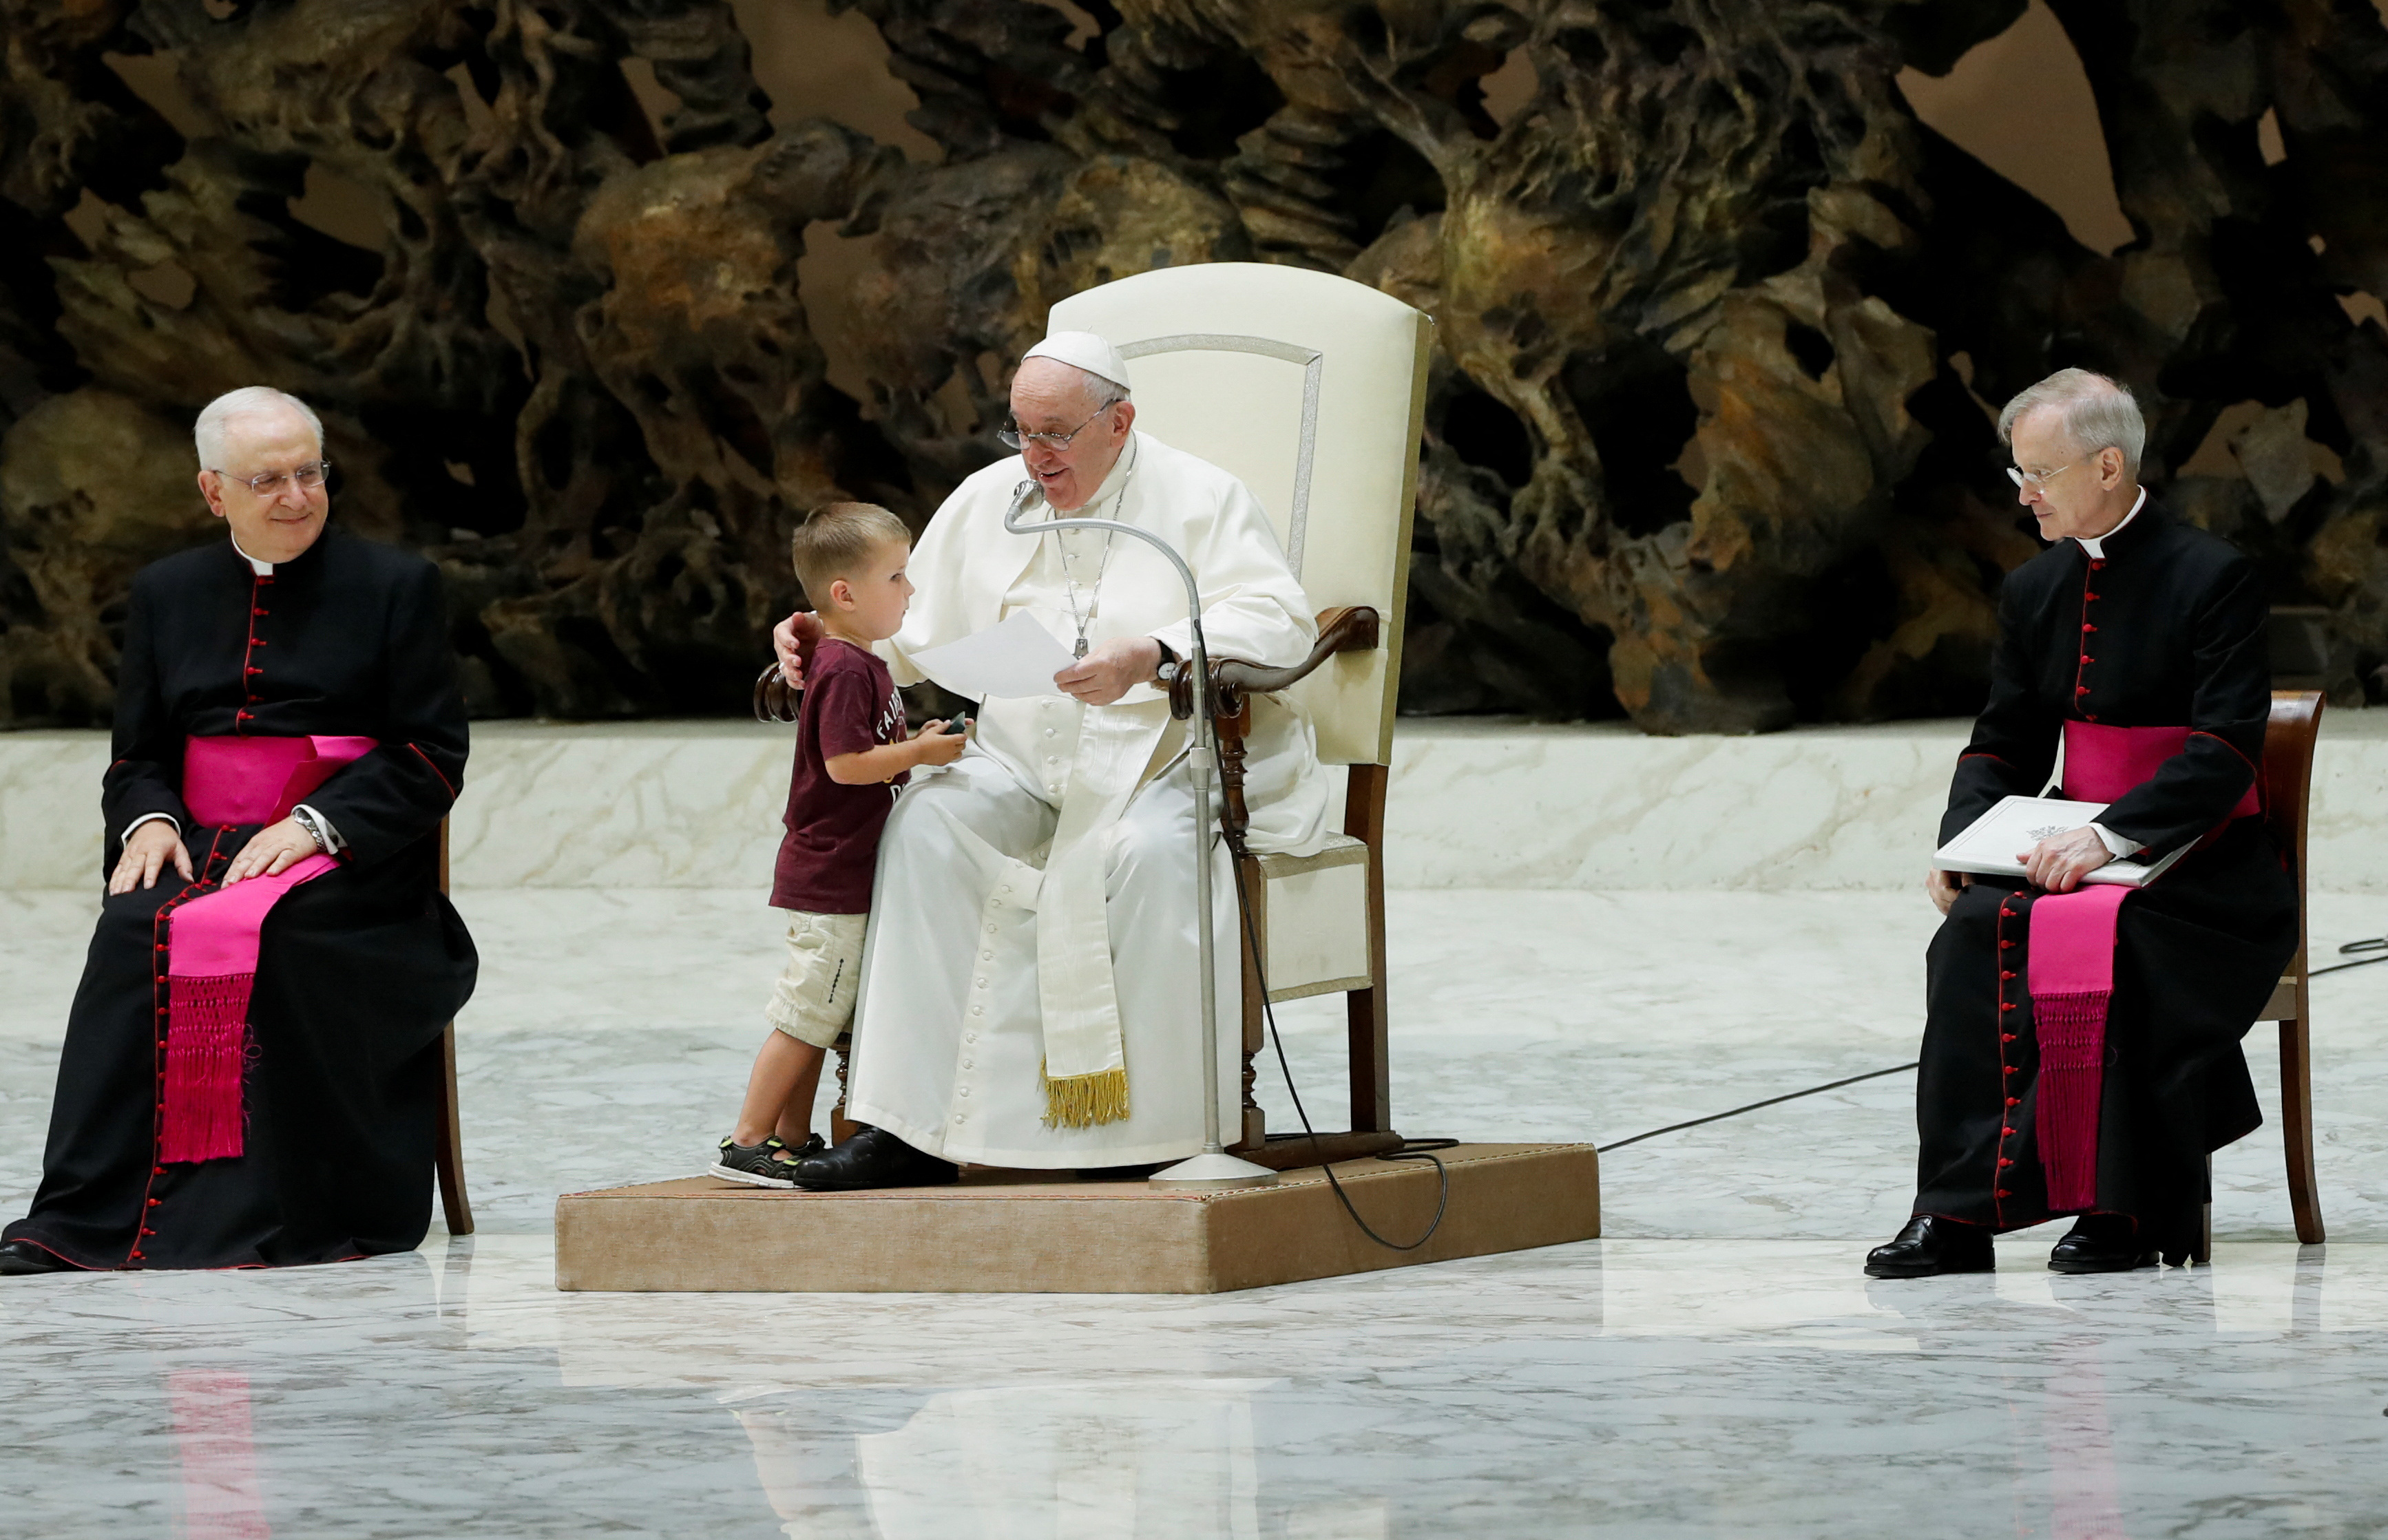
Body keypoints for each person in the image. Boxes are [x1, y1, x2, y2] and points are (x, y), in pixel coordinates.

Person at [769, 331, 1329, 1187]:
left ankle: (1154, 1135)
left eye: (1056, 434)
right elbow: (904, 626)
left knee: (1147, 854)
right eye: (1020, 431)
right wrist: (817, 633)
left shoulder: (1202, 497)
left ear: (1120, 420)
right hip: (1024, 758)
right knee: (925, 824)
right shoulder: (994, 497)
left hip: (1162, 758)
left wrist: (1152, 652)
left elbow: (1281, 620)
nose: (1034, 456)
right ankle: (909, 1130)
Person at [0, 386, 476, 1275]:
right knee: (132, 927)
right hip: (203, 843)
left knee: (282, 934)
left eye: (310, 473)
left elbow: (432, 751)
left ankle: (270, 1215)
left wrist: (319, 823)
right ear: (214, 492)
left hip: (351, 868)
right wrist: (145, 820)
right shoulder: (166, 592)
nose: (297, 496)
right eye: (268, 480)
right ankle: (85, 1216)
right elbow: (137, 753)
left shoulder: (397, 585)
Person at [1866, 368, 2296, 1278]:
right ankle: (1955, 1215)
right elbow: (2007, 740)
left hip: (2204, 866)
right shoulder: (2033, 590)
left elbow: (2223, 750)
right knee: (1971, 937)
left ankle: (2123, 1209)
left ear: (2108, 465)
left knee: (2124, 943)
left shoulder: (2215, 577)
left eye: (2039, 474)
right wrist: (1962, 841)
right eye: (2017, 473)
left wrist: (2112, 838)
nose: (2022, 495)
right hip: (2072, 847)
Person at [708, 504, 966, 1186]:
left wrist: (914, 740)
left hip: (844, 867)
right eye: (898, 576)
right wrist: (919, 751)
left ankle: (791, 1135)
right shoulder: (847, 667)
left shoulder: (862, 658)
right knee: (804, 1013)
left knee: (822, 1013)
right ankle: (748, 1138)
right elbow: (847, 763)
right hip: (831, 872)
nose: (910, 590)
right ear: (845, 594)